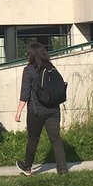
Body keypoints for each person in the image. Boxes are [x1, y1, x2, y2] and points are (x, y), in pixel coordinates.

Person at [15, 42, 68, 176]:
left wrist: (19, 112)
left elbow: (25, 93)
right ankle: (62, 170)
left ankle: (27, 167)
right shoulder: (51, 67)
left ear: (31, 55)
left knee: (33, 138)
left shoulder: (28, 70)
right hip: (53, 110)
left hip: (36, 111)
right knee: (56, 139)